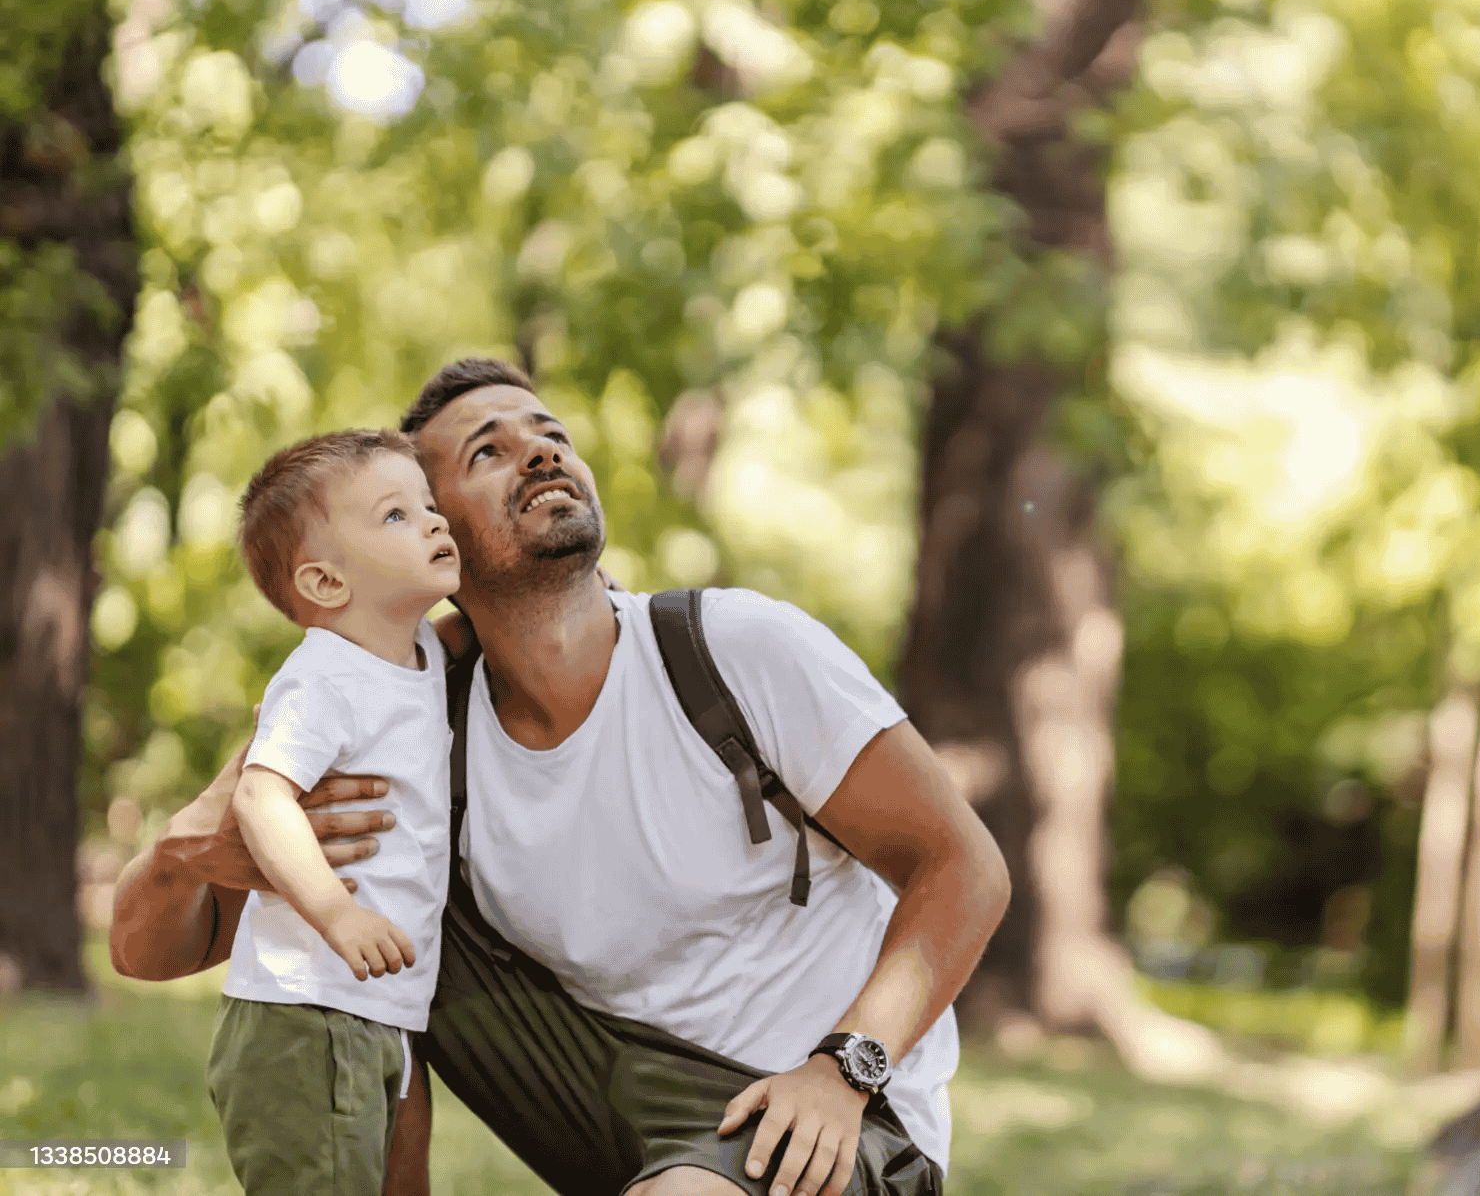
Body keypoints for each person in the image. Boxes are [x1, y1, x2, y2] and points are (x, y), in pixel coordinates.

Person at [110, 358, 1012, 1196]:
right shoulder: (405, 713)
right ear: (435, 536)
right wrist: (185, 850)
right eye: (487, 452)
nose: (539, 450)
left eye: (549, 434)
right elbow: (147, 948)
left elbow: (964, 865)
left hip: (825, 1112)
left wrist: (845, 1065)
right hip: (610, 1100)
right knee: (396, 921)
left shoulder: (735, 649)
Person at [206, 428, 463, 1195]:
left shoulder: (418, 651)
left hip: (369, 1006)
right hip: (308, 1006)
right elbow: (261, 791)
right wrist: (335, 912)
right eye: (395, 515)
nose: (434, 521)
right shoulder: (324, 675)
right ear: (323, 583)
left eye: (429, 505)